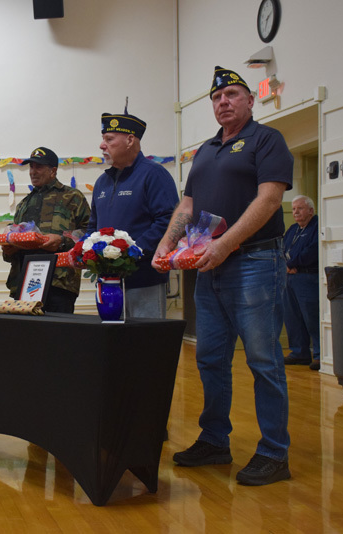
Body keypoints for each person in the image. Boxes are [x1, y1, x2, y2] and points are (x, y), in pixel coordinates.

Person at [152, 66, 293, 486]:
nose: (223, 102)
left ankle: (274, 452)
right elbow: (187, 206)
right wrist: (167, 243)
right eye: (217, 98)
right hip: (207, 267)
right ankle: (215, 440)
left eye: (232, 94)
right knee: (210, 358)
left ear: (251, 100)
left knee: (263, 360)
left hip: (254, 262)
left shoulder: (267, 140)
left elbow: (269, 201)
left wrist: (226, 243)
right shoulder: (206, 151)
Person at [88, 105, 178, 318]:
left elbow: (168, 221)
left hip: (144, 280)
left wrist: (132, 252)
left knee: (144, 345)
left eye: (109, 139)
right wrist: (85, 249)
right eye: (103, 139)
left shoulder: (154, 174)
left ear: (130, 140)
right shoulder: (102, 182)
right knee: (113, 345)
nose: (102, 145)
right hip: (107, 283)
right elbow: (93, 225)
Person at [1, 146, 90, 313]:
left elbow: (90, 235)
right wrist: (9, 249)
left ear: (53, 171)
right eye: (31, 167)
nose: (33, 172)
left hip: (59, 283)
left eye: (39, 167)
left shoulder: (73, 197)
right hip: (24, 283)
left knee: (58, 336)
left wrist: (62, 242)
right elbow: (12, 244)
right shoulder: (23, 204)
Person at [283, 195, 320, 371]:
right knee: (292, 317)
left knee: (311, 317)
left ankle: (320, 355)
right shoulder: (292, 229)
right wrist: (286, 265)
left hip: (307, 278)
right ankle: (299, 353)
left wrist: (291, 264)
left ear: (311, 211)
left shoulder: (316, 226)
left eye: (300, 208)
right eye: (294, 208)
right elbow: (282, 249)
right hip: (289, 278)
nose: (296, 211)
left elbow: (312, 252)